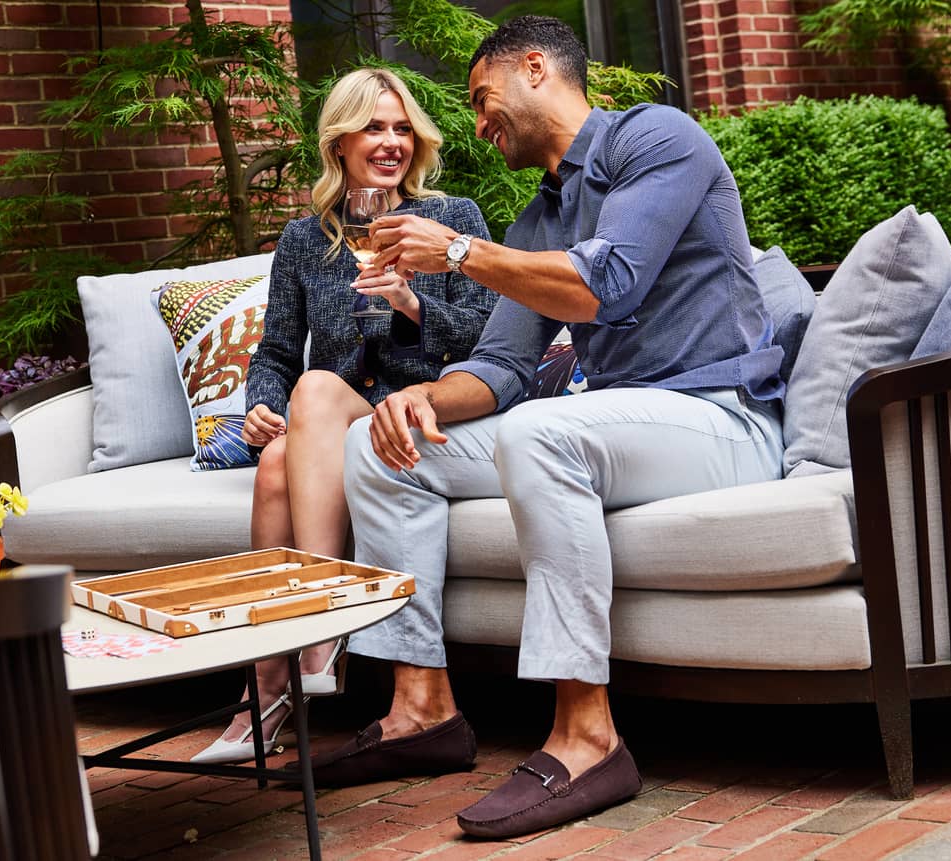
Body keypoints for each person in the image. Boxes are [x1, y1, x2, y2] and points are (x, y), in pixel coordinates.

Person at [294, 16, 787, 838]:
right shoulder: (538, 219)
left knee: (540, 432)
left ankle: (589, 736)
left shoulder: (657, 138)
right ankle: (423, 707)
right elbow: (502, 368)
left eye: (484, 101)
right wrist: (423, 403)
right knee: (376, 446)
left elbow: (607, 286)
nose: (478, 126)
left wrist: (454, 253)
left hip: (719, 418)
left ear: (534, 68)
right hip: (624, 429)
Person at [190, 68, 498, 764]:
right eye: (373, 127)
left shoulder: (453, 221)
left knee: (320, 392)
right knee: (273, 457)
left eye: (401, 129)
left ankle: (319, 625)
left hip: (420, 409)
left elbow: (490, 337)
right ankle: (267, 693)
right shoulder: (305, 240)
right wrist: (263, 406)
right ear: (340, 143)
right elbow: (272, 352)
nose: (390, 143)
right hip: (335, 418)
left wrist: (415, 306)